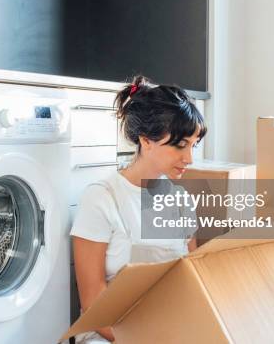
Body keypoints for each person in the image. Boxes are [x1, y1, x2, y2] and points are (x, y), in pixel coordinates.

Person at [70, 75, 207, 343]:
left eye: (194, 145)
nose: (189, 158)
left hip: (167, 328)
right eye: (180, 145)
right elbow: (92, 301)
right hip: (110, 332)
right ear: (146, 141)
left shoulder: (180, 200)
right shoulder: (102, 198)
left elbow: (191, 280)